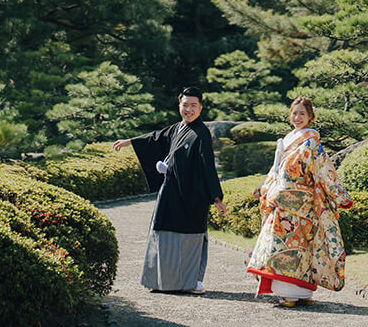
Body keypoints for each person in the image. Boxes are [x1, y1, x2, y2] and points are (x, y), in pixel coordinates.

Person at [113, 86, 226, 293]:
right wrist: (129, 142)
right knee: (162, 234)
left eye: (193, 106)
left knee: (190, 240)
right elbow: (155, 138)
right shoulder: (177, 128)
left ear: (200, 108)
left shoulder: (201, 134)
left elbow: (208, 165)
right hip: (170, 193)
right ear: (179, 105)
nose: (188, 110)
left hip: (192, 197)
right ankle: (161, 282)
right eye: (185, 105)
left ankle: (192, 282)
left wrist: (216, 197)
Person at [246, 96, 353, 306]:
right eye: (294, 113)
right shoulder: (287, 140)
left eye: (302, 114)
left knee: (300, 247)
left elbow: (323, 169)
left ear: (311, 116)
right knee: (281, 245)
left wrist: (339, 195)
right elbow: (276, 169)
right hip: (281, 201)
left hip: (302, 203)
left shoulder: (311, 142)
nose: (297, 117)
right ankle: (292, 292)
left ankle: (298, 293)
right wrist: (263, 188)